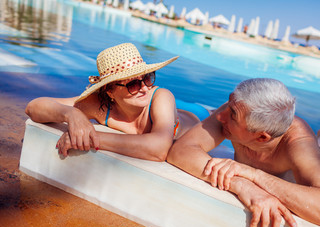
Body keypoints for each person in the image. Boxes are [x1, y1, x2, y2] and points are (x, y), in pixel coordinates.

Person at [167, 78, 320, 227]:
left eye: (232, 115)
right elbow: (180, 151)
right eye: (229, 105)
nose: (220, 116)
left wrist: (254, 175)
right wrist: (242, 184)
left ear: (262, 137)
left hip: (310, 153)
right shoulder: (236, 109)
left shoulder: (297, 143)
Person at [26, 43, 201, 161]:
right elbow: (33, 107)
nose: (144, 88)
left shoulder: (161, 96)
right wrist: (72, 114)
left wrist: (94, 138)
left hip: (195, 119)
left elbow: (159, 149)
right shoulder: (100, 106)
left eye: (147, 78)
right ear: (110, 91)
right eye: (133, 83)